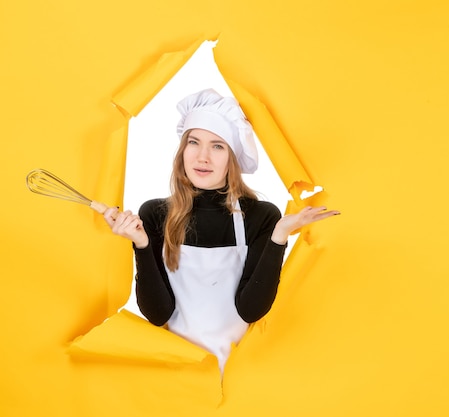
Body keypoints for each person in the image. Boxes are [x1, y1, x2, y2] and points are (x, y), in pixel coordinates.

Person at [103, 89, 339, 371]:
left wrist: (279, 238)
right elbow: (157, 313)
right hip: (176, 370)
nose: (203, 157)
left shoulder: (261, 216)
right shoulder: (155, 214)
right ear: (182, 150)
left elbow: (251, 310)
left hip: (242, 375)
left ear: (232, 158)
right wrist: (141, 244)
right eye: (194, 142)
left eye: (217, 146)